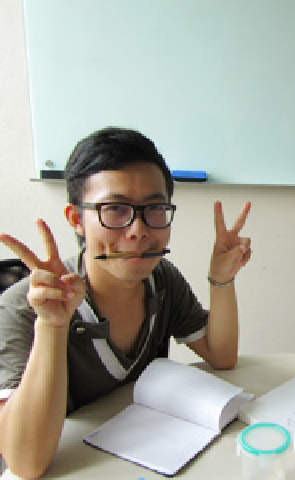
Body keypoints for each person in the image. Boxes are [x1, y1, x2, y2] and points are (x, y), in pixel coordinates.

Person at [0, 127, 252, 478]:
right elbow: (27, 463)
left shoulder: (161, 279)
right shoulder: (22, 307)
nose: (138, 230)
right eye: (115, 209)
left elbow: (221, 356)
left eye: (154, 209)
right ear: (77, 220)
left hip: (146, 458)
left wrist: (221, 279)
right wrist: (52, 324)